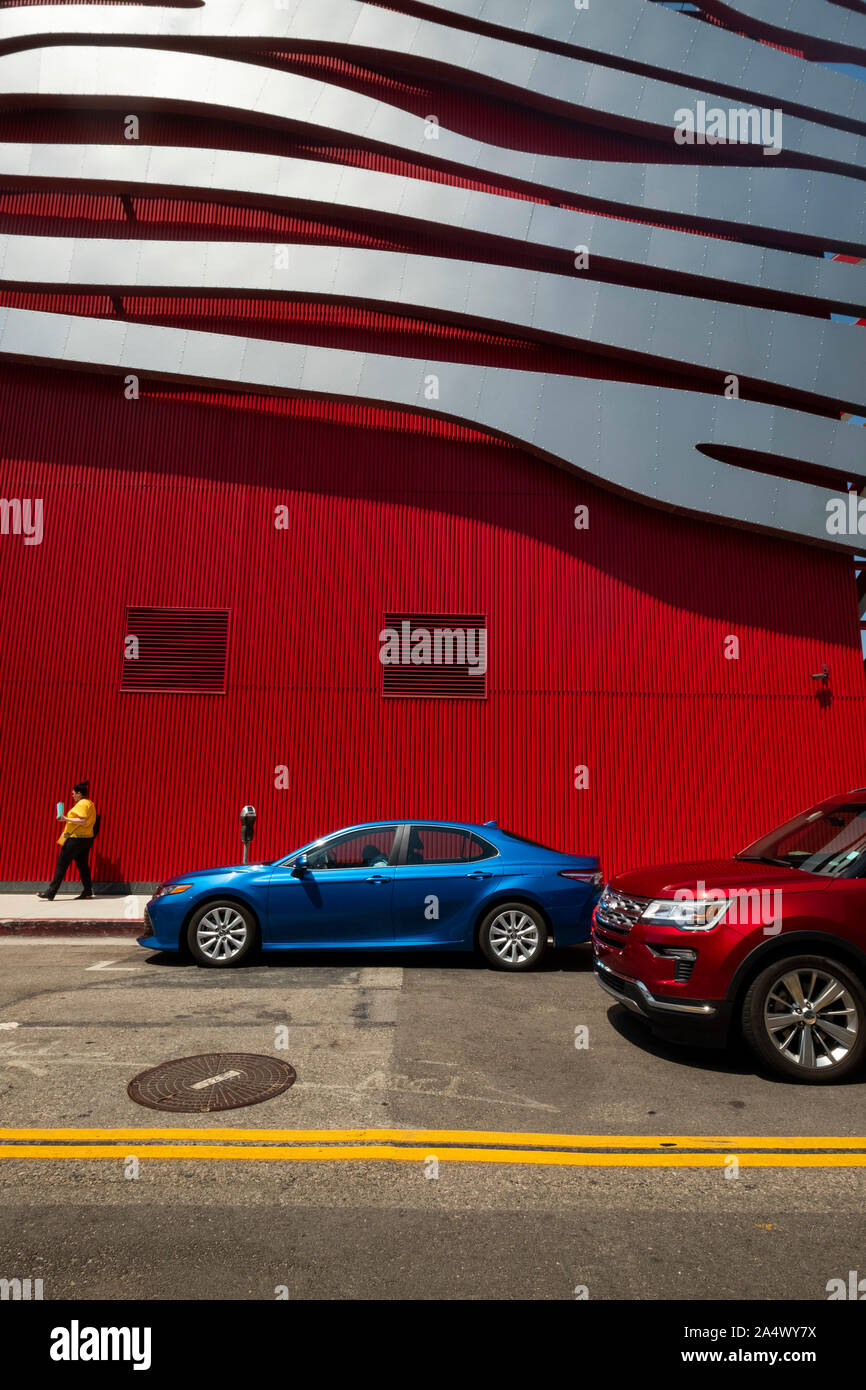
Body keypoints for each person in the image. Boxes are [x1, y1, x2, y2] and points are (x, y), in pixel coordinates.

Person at [38, 779, 97, 901]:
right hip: (86, 839)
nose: (73, 796)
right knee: (83, 865)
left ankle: (51, 892)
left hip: (76, 840)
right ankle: (87, 890)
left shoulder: (82, 804)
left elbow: (83, 820)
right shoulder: (90, 804)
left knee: (62, 864)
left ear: (79, 793)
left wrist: (65, 818)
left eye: (73, 793)